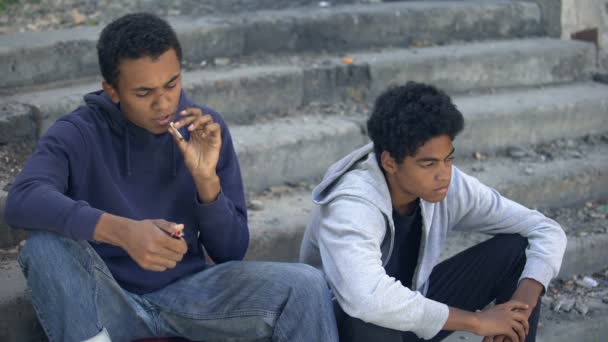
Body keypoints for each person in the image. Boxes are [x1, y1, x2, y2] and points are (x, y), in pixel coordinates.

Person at [5, 13, 338, 342]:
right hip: (107, 301)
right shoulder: (78, 133)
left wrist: (206, 180)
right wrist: (125, 233)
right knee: (43, 247)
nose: (163, 103)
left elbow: (231, 252)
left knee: (306, 286)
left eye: (172, 84)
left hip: (191, 295)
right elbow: (23, 199)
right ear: (112, 91)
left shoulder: (203, 130)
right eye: (143, 92)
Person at [299, 82, 567, 342]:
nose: (444, 174)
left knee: (517, 250)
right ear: (390, 162)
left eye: (448, 159)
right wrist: (477, 321)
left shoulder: (448, 185)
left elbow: (545, 229)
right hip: (344, 328)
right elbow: (365, 297)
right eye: (428, 164)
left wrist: (520, 306)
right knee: (370, 316)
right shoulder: (352, 202)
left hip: (410, 314)